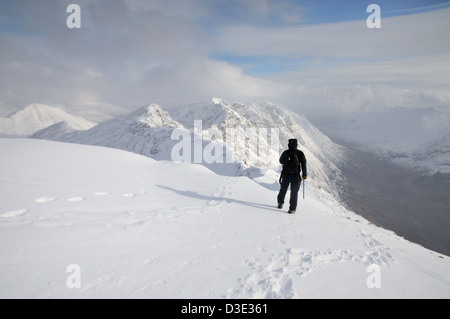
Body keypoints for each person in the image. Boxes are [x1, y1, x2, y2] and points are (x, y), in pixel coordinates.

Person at [277, 139, 307, 214]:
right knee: (294, 193)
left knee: (283, 190)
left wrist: (286, 159)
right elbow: (303, 164)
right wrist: (304, 174)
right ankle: (292, 209)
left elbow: (281, 161)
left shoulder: (286, 152)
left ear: (288, 144)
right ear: (296, 144)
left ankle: (280, 203)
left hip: (286, 175)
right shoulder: (300, 153)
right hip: (296, 176)